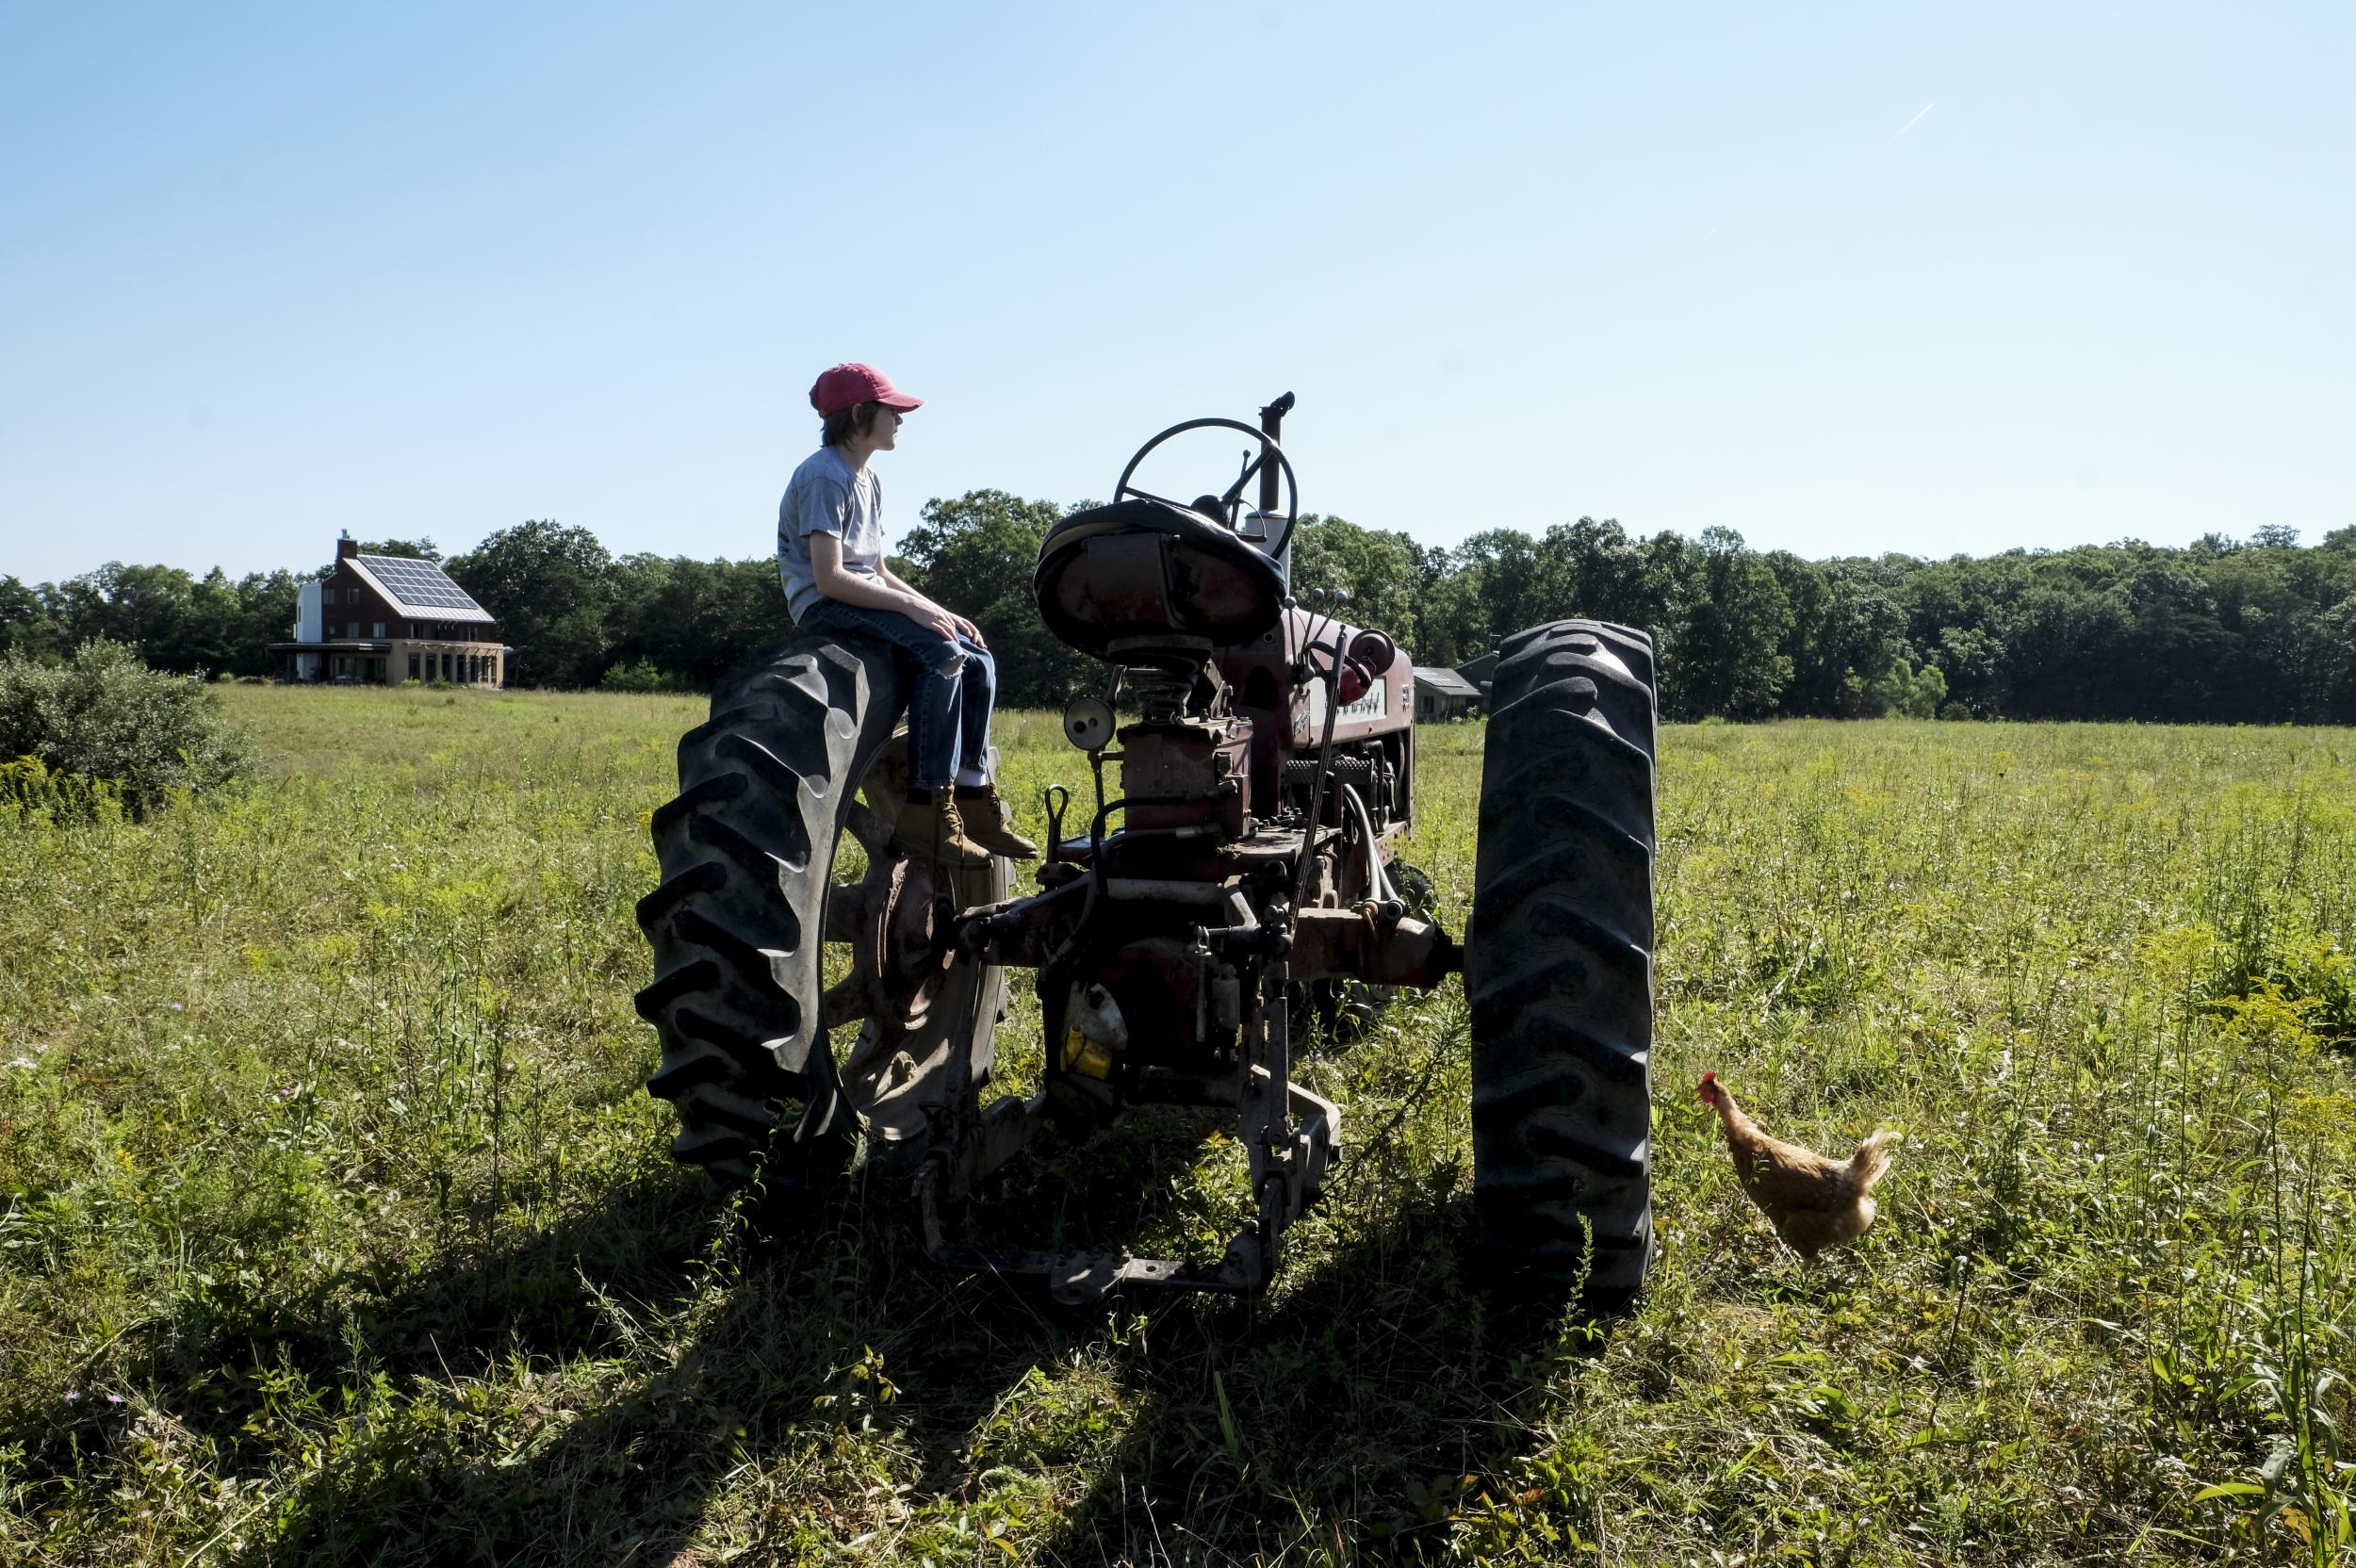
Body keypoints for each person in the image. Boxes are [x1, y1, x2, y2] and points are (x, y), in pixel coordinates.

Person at [778, 362, 1037, 867]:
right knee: (942, 656)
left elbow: (876, 568)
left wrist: (937, 608)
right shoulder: (824, 476)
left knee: (976, 653)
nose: (900, 421)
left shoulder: (867, 479)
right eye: (892, 411)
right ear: (859, 414)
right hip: (825, 605)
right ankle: (927, 807)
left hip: (861, 592)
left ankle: (973, 794)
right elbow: (830, 577)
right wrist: (912, 609)